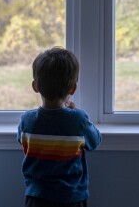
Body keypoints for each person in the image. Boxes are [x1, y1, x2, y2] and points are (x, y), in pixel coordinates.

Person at [18, 47, 101, 207]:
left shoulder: (27, 119)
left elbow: (21, 139)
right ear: (72, 88)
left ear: (35, 86)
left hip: (36, 197)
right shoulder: (77, 119)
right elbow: (95, 141)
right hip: (70, 197)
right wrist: (74, 112)